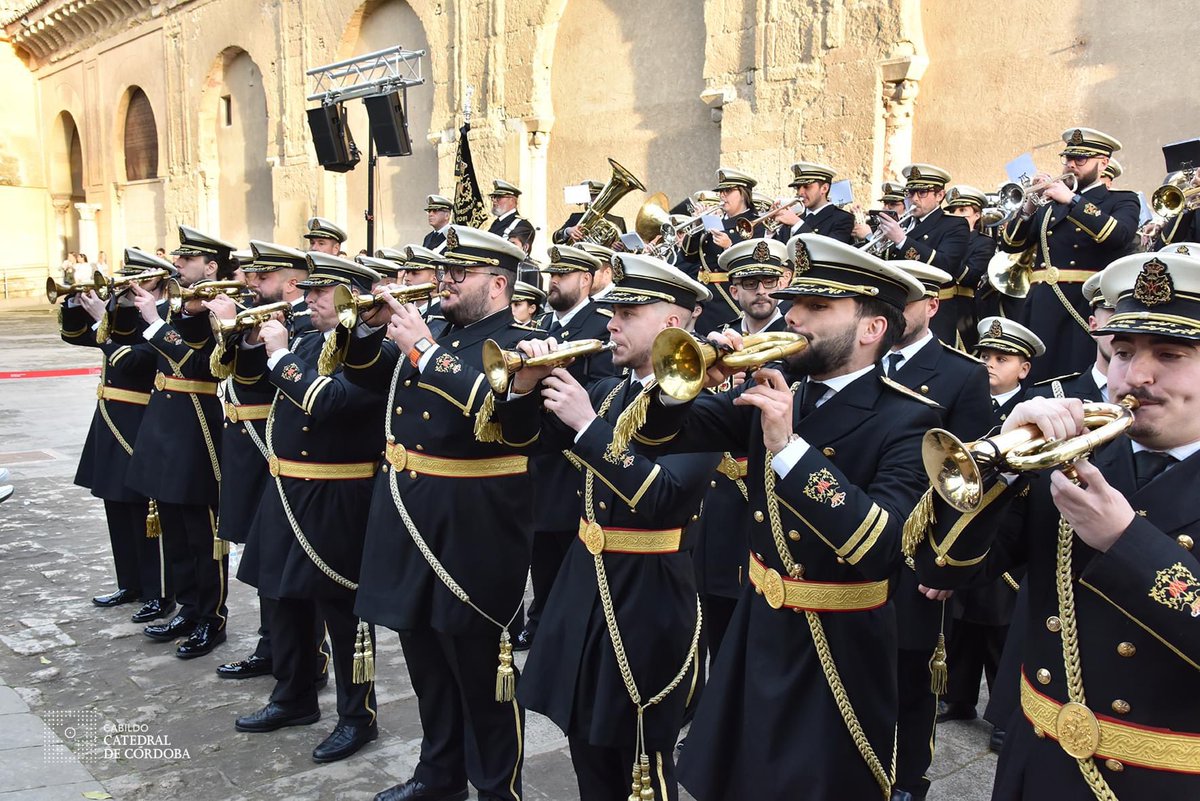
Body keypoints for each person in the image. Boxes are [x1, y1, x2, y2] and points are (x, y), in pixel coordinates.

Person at [641, 234, 937, 800]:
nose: (792, 316)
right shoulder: (781, 388)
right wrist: (689, 383)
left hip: (838, 645)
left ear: (871, 328)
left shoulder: (909, 420)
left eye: (816, 308)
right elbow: (657, 435)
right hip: (759, 622)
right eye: (795, 301)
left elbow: (882, 545)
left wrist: (789, 449)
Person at [913, 249, 1200, 800]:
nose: (1135, 376)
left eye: (1170, 353)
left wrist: (1125, 541)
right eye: (1121, 352)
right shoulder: (1077, 457)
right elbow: (938, 567)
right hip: (1040, 761)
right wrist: (999, 461)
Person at [494, 251, 718, 801]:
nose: (610, 322)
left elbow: (663, 499)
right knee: (586, 742)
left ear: (672, 322)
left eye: (628, 313)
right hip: (584, 584)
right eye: (612, 309)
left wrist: (588, 426)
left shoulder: (704, 401)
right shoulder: (612, 391)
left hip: (651, 594)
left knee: (641, 759)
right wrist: (525, 384)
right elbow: (520, 442)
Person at [342, 225, 540, 801]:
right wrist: (366, 327)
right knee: (426, 662)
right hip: (410, 519)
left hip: (473, 531)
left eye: (461, 273)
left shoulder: (521, 340)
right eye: (446, 271)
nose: (446, 280)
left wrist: (422, 348)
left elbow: (496, 408)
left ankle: (499, 788)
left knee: (482, 675)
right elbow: (363, 375)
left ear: (498, 283)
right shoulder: (434, 333)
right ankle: (438, 774)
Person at [233, 253, 386, 764]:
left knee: (342, 614)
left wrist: (279, 357)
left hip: (339, 494)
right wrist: (253, 345)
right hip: (287, 489)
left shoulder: (373, 352)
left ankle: (356, 715)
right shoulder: (302, 339)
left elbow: (330, 400)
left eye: (324, 291)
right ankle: (293, 695)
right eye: (312, 289)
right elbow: (252, 379)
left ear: (353, 299)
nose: (311, 298)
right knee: (281, 597)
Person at [881, 260, 993, 801]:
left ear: (931, 306)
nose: (895, 311)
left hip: (915, 552)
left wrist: (946, 560)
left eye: (907, 301)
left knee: (909, 671)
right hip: (852, 540)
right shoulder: (852, 359)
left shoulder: (961, 373)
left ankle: (906, 780)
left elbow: (971, 479)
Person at [125, 225, 235, 658]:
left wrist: (155, 323)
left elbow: (200, 367)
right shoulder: (178, 305)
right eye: (178, 258)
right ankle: (187, 605)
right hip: (166, 421)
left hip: (197, 424)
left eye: (187, 260)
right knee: (172, 522)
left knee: (201, 529)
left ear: (210, 267)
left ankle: (212, 616)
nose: (177, 265)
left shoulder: (221, 310)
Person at [213, 241, 320, 682]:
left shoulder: (308, 325)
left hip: (282, 449)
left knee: (291, 562)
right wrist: (236, 332)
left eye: (264, 277)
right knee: (266, 557)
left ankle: (306, 655)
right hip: (256, 446)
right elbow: (232, 373)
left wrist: (273, 344)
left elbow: (282, 388)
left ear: (291, 282)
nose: (252, 283)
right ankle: (271, 644)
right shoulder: (263, 316)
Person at [512, 245, 617, 653]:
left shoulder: (602, 325)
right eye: (552, 273)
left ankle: (561, 634)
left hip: (572, 465)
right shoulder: (538, 326)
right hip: (538, 462)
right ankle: (542, 625)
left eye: (564, 275)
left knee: (569, 559)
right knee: (542, 555)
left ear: (586, 280)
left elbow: (604, 394)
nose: (553, 281)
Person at [62, 248, 176, 624]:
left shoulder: (165, 315)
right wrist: (75, 304)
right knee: (114, 501)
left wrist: (101, 321)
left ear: (156, 278)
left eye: (138, 276)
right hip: (110, 415)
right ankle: (129, 582)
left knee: (145, 510)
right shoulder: (121, 308)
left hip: (141, 416)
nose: (128, 283)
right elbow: (77, 337)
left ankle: (159, 591)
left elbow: (133, 360)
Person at [692, 238, 791, 663]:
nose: (762, 290)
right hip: (715, 498)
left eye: (770, 280)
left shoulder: (798, 342)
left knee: (760, 634)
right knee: (713, 614)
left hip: (767, 498)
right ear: (734, 290)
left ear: (784, 280)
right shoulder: (716, 339)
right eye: (750, 282)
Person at [997, 127, 1140, 383]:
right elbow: (1010, 244)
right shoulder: (1049, 205)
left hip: (1082, 303)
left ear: (1103, 163)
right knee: (1037, 377)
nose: (1071, 165)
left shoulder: (1122, 200)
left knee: (1076, 374)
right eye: (1068, 159)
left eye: (1080, 159)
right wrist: (1030, 206)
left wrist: (1073, 201)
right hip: (1041, 303)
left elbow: (1118, 234)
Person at [684, 168, 765, 335]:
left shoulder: (755, 222)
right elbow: (689, 256)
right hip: (705, 294)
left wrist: (730, 246)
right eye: (721, 191)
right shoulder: (714, 220)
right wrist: (695, 225)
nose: (722, 196)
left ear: (743, 194)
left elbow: (757, 261)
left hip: (728, 295)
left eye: (728, 191)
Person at [877, 164, 971, 294]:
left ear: (939, 195)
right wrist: (880, 243)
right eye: (910, 192)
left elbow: (946, 266)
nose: (914, 199)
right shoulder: (904, 223)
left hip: (928, 300)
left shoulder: (955, 225)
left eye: (922, 192)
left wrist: (902, 241)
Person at [943, 185, 996, 350]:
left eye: (962, 210)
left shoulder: (984, 243)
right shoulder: (942, 239)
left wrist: (946, 257)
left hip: (963, 310)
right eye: (952, 211)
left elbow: (971, 277)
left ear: (977, 215)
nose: (956, 215)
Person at [771, 162, 855, 245]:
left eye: (806, 186)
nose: (800, 192)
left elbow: (828, 252)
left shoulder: (843, 219)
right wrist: (770, 231)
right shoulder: (795, 216)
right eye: (798, 187)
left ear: (824, 188)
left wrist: (797, 224)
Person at [551, 179, 628, 245]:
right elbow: (555, 239)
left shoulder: (618, 221)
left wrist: (619, 248)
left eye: (593, 197)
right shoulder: (575, 217)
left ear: (601, 198)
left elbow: (626, 249)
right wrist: (568, 231)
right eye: (587, 197)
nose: (589, 201)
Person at [487, 180, 536, 248]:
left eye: (499, 197)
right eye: (493, 197)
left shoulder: (522, 225)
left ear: (512, 200)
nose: (494, 200)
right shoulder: (497, 223)